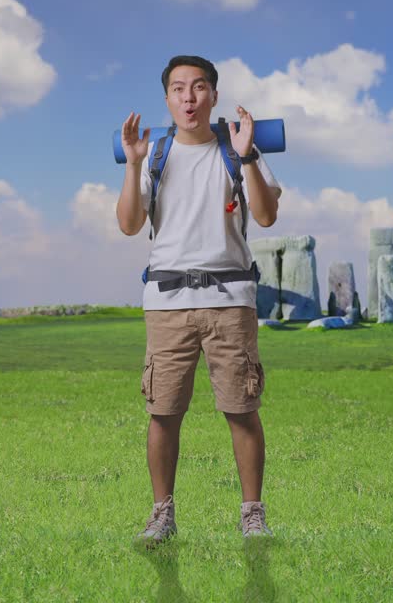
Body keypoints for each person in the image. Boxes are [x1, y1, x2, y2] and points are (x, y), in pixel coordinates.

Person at [115, 55, 283, 545]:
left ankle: (252, 514)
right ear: (167, 99)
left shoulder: (236, 150)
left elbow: (268, 216)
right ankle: (161, 514)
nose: (189, 97)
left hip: (231, 300)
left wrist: (249, 155)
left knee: (242, 409)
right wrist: (132, 164)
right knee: (163, 413)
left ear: (213, 95)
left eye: (199, 87)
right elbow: (128, 224)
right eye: (178, 89)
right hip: (167, 303)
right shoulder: (156, 155)